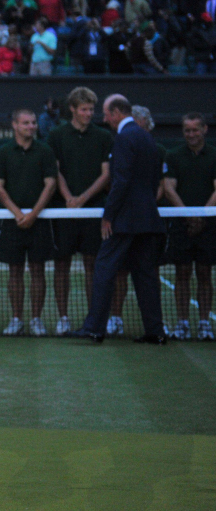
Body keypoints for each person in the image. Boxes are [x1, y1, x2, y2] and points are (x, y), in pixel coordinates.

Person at [70, 95, 167, 344]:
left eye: (105, 113)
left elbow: (120, 181)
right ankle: (156, 331)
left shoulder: (124, 138)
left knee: (103, 269)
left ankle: (94, 328)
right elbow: (154, 180)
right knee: (145, 274)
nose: (104, 119)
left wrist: (108, 216)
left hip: (125, 219)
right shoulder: (146, 137)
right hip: (146, 218)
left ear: (116, 113)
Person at [48, 87, 112, 335]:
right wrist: (69, 199)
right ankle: (63, 317)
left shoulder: (103, 136)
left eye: (91, 109)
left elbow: (106, 173)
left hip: (93, 211)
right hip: (64, 211)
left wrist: (83, 198)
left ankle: (93, 319)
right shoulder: (56, 135)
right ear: (73, 109)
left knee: (92, 265)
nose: (88, 113)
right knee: (61, 264)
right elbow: (55, 170)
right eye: (84, 109)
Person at [0, 109, 58, 336]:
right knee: (15, 271)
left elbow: (50, 185)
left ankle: (36, 320)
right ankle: (17, 318)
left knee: (38, 270)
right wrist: (18, 214)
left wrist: (33, 215)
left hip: (39, 222)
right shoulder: (3, 152)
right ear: (15, 125)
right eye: (26, 123)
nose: (31, 126)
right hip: (13, 222)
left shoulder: (45, 151)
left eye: (33, 123)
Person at [109, 105, 167, 335]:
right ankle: (118, 320)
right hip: (134, 219)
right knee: (126, 273)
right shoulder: (129, 141)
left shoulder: (145, 144)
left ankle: (154, 329)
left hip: (138, 222)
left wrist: (111, 214)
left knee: (146, 274)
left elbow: (155, 184)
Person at [162, 113, 216, 340]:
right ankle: (182, 322)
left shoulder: (214, 155)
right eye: (187, 130)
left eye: (195, 130)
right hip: (182, 226)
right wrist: (189, 216)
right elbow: (168, 188)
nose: (191, 134)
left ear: (204, 129)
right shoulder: (173, 156)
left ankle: (204, 323)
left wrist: (201, 217)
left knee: (204, 273)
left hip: (209, 226)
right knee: (182, 273)